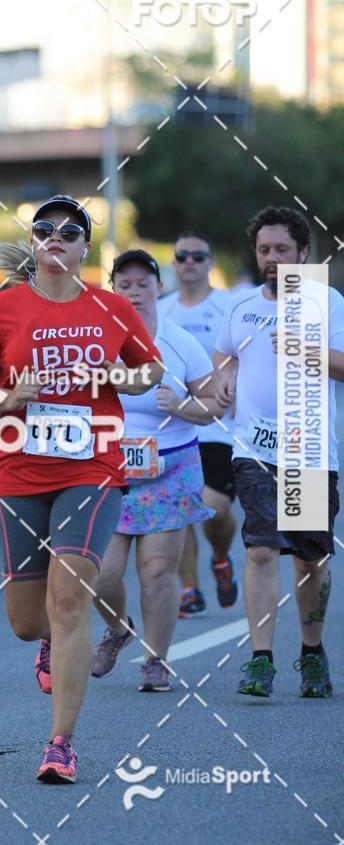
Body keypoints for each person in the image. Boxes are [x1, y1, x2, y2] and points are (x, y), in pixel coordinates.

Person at [0, 196, 163, 782]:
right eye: (45, 230)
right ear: (36, 242)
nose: (56, 238)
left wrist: (116, 375)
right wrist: (6, 398)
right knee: (28, 619)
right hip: (18, 472)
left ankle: (60, 744)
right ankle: (50, 639)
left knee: (69, 600)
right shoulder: (3, 308)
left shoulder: (113, 307)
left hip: (91, 469)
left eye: (70, 231)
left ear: (85, 247)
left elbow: (151, 371)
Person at [214, 206, 344, 698]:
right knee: (262, 548)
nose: (272, 258)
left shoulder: (324, 301)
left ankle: (312, 652)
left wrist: (302, 348)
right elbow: (224, 352)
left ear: (304, 253)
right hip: (254, 447)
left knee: (310, 558)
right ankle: (260, 659)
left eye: (282, 250)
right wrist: (224, 375)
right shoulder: (241, 305)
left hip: (308, 447)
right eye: (264, 250)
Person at [90, 249, 225, 692]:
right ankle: (118, 629)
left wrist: (183, 404)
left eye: (143, 283)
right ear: (113, 290)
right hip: (109, 469)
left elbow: (213, 408)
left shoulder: (179, 342)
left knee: (157, 570)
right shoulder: (96, 340)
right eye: (124, 284)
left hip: (169, 468)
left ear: (159, 288)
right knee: (99, 573)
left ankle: (156, 660)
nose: (134, 292)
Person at [158, 233, 238, 617]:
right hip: (172, 424)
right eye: (182, 256)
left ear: (209, 262)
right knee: (180, 508)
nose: (189, 261)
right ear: (173, 263)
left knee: (214, 509)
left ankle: (221, 559)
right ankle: (189, 588)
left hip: (217, 425)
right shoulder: (163, 309)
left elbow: (245, 352)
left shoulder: (228, 306)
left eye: (198, 256)